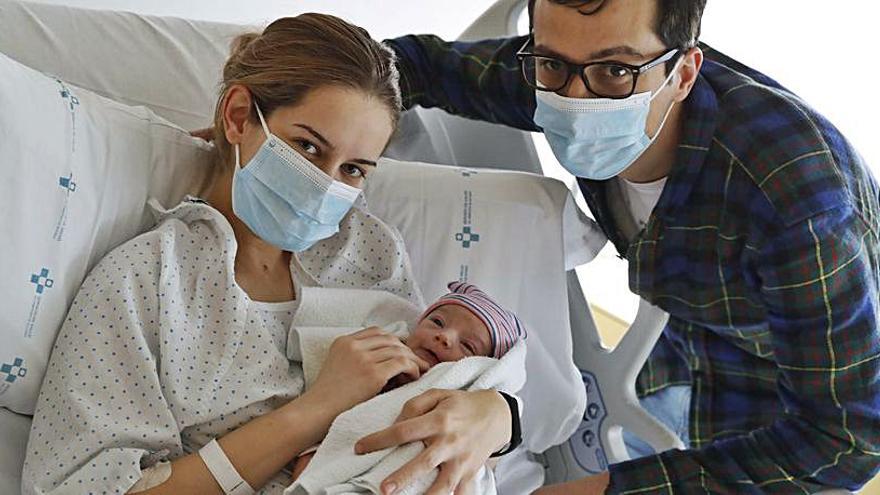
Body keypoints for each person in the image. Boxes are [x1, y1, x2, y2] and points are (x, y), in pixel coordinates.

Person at [382, 0, 880, 493]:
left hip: (816, 368)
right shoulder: (559, 75)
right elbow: (413, 65)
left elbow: (846, 441)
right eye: (553, 63)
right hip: (691, 330)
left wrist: (606, 489)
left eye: (615, 70)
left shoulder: (798, 205)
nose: (577, 100)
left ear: (684, 73)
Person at [22, 14, 517, 495]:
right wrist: (316, 410)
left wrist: (499, 415)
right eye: (308, 147)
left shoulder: (369, 250)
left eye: (354, 170)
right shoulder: (147, 281)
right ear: (239, 117)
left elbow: (440, 383)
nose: (327, 185)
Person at [289, 281, 527, 483]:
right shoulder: (377, 372)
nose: (444, 336)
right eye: (437, 322)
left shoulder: (467, 410)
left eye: (468, 346)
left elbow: (480, 463)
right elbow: (333, 433)